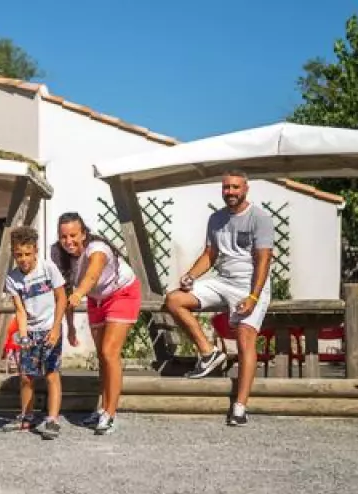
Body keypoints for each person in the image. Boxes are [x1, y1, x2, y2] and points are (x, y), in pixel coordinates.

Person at [164, 170, 274, 427]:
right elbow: (210, 254)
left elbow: (264, 259)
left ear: (246, 189)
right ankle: (209, 352)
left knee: (245, 339)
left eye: (235, 187)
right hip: (222, 281)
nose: (230, 192)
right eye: (226, 188)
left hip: (249, 284)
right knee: (174, 300)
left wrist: (253, 296)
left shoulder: (260, 218)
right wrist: (190, 276)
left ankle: (240, 406)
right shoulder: (216, 218)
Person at [53, 212, 142, 435]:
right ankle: (102, 408)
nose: (68, 241)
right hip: (96, 299)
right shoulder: (59, 254)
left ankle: (110, 414)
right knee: (102, 356)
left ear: (84, 234)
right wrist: (71, 327)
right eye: (64, 236)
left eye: (73, 235)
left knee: (110, 352)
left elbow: (92, 275)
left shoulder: (98, 249)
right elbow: (65, 292)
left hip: (121, 293)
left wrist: (79, 293)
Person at [1, 226, 67, 440]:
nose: (23, 259)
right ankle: (27, 416)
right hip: (30, 330)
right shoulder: (12, 278)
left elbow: (62, 298)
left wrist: (56, 327)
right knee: (26, 376)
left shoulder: (48, 268)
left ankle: (52, 419)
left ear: (35, 251)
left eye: (27, 254)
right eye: (18, 255)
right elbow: (20, 310)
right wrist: (23, 336)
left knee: (51, 374)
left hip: (50, 328)